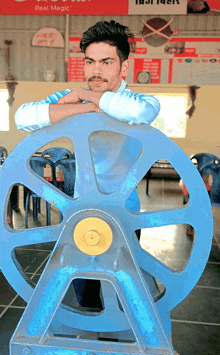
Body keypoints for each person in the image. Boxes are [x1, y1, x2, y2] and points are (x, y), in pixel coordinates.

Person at [15, 20, 160, 309]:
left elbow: (141, 112)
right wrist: (87, 104)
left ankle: (121, 336)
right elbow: (23, 118)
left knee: (124, 290)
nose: (96, 70)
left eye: (107, 62)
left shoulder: (138, 100)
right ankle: (89, 334)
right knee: (86, 292)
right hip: (80, 211)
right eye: (90, 62)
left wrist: (85, 98)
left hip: (125, 212)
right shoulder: (70, 97)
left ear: (124, 67)